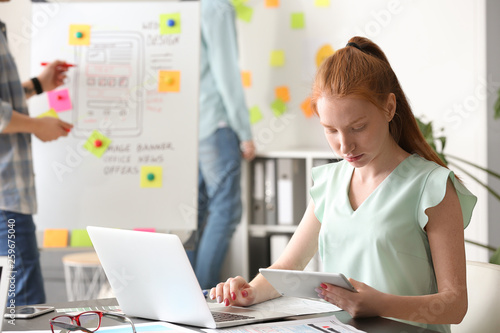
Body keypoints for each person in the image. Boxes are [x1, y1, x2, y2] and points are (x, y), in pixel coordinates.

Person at [209, 36, 477, 333]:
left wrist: (380, 304)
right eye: (331, 130)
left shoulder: (432, 186)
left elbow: (454, 304)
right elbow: (290, 265)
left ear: (389, 108)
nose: (344, 145)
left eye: (358, 128)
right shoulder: (328, 182)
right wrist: (248, 293)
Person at [0, 13, 73, 306]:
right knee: (25, 307)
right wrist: (37, 125)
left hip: (8, 197)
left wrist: (37, 85)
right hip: (6, 200)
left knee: (19, 303)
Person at [186, 0, 256, 290]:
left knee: (194, 214)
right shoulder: (216, 7)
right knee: (225, 212)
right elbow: (226, 73)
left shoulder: (188, 7)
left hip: (191, 125)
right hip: (217, 124)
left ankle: (184, 296)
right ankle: (202, 296)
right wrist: (244, 130)